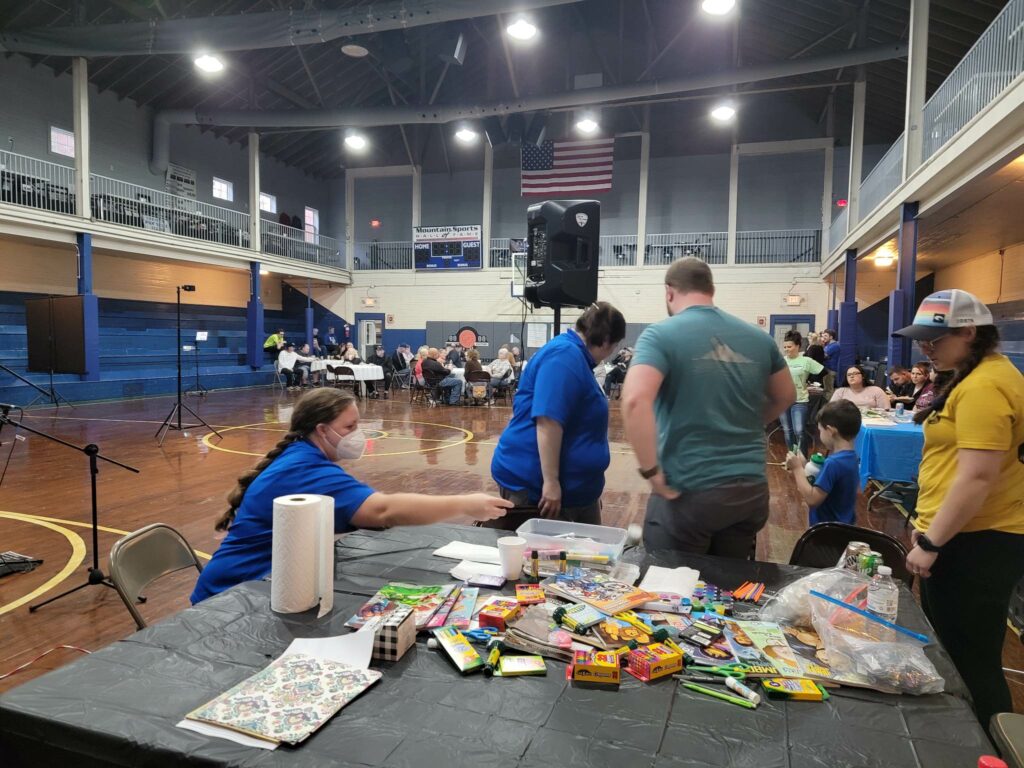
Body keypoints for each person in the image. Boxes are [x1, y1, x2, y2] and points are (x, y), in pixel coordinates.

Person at [191, 389, 511, 603]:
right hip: (232, 596)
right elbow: (382, 510)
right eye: (350, 426)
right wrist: (465, 503)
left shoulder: (303, 457)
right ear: (321, 430)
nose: (358, 434)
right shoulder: (304, 469)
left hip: (267, 585)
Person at [893, 289, 1024, 732]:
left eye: (935, 339)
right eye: (921, 340)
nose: (926, 348)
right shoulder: (975, 377)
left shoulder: (986, 385)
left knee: (969, 659)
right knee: (958, 652)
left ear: (970, 332)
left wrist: (931, 541)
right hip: (966, 535)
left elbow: (977, 478)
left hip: (976, 541)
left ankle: (987, 746)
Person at [623, 257, 795, 557]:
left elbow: (635, 401)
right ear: (712, 289)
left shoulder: (660, 335)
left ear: (669, 292)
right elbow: (786, 396)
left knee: (673, 594)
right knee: (726, 590)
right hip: (750, 491)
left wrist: (651, 470)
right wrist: (748, 423)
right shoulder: (759, 338)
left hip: (691, 489)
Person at [491, 302, 626, 526]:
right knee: (541, 559)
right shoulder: (565, 356)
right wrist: (551, 482)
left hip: (576, 491)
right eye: (613, 346)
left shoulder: (575, 356)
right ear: (605, 342)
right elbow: (548, 421)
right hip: (537, 488)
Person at [785, 400, 861, 526]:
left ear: (830, 431)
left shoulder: (833, 463)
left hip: (826, 533)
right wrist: (805, 466)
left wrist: (797, 469)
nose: (820, 434)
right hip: (845, 527)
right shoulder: (851, 457)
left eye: (820, 430)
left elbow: (812, 499)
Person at [780, 330, 824, 454]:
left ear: (798, 346)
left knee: (799, 431)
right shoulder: (781, 361)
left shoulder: (806, 361)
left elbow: (823, 372)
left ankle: (803, 459)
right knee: (787, 431)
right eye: (784, 347)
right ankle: (792, 457)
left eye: (789, 346)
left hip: (800, 401)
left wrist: (809, 380)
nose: (786, 349)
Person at [820, 329, 840, 398]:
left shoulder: (834, 345)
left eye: (825, 336)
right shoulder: (828, 345)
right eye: (823, 335)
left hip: (830, 371)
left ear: (831, 337)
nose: (823, 337)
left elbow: (823, 356)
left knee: (828, 390)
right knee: (826, 389)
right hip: (827, 370)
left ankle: (828, 407)